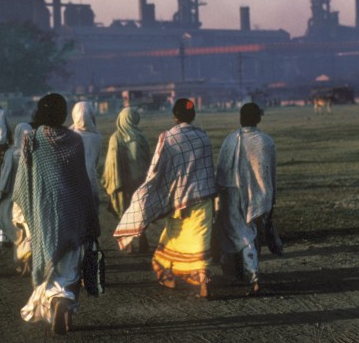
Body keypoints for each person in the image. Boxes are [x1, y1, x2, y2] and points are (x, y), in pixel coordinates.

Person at [12, 93, 100, 335]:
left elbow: (22, 182)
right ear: (64, 114)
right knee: (72, 266)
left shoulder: (32, 139)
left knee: (50, 265)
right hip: (72, 213)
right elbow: (82, 182)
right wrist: (90, 215)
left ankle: (55, 300)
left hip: (43, 216)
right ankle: (66, 306)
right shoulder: (75, 140)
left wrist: (22, 215)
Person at [113, 98, 218, 299]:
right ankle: (203, 281)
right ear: (193, 115)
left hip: (179, 203)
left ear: (174, 116)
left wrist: (148, 194)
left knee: (171, 243)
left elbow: (155, 170)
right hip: (203, 200)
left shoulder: (168, 138)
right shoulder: (203, 137)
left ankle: (168, 276)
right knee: (200, 245)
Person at [214, 102, 278, 296]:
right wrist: (270, 197)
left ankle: (248, 274)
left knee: (242, 234)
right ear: (258, 119)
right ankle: (250, 275)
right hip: (259, 195)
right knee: (251, 233)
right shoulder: (266, 141)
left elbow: (221, 170)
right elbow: (270, 173)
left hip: (231, 194)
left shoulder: (230, 140)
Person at [102, 106, 152, 253]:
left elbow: (111, 165)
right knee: (140, 211)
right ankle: (142, 239)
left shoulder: (115, 138)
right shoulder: (141, 137)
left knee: (124, 213)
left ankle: (129, 244)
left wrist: (110, 181)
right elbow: (148, 159)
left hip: (122, 183)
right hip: (140, 181)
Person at [0, 121, 33, 275]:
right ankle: (30, 261)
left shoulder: (11, 153)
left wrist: (0, 195)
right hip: (31, 199)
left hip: (14, 200)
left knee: (17, 233)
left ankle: (19, 261)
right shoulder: (35, 152)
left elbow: (5, 177)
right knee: (31, 232)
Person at [68, 101, 102, 205]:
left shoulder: (67, 135)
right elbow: (94, 163)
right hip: (90, 182)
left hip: (70, 184)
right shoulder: (96, 137)